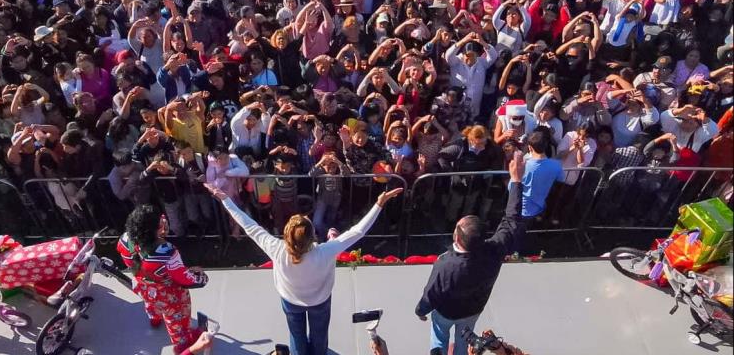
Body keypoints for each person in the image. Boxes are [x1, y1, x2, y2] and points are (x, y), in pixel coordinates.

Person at [205, 182, 403, 355]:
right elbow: (358, 231)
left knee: (296, 334)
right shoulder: (326, 251)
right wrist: (379, 204)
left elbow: (249, 225)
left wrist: (225, 199)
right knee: (319, 335)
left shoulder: (276, 249)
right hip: (320, 302)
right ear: (312, 236)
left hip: (291, 301)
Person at [414, 151, 527, 355]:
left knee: (439, 336)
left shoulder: (445, 264)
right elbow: (512, 219)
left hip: (446, 313)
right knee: (462, 343)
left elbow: (432, 293)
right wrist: (517, 181)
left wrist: (421, 310)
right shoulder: (495, 249)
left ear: (457, 237)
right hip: (472, 311)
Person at [116, 204, 210, 355]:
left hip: (143, 287)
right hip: (167, 296)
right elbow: (185, 279)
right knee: (176, 320)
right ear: (154, 228)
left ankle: (154, 319)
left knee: (150, 304)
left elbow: (135, 260)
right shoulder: (167, 251)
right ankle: (182, 345)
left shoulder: (124, 239)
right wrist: (202, 278)